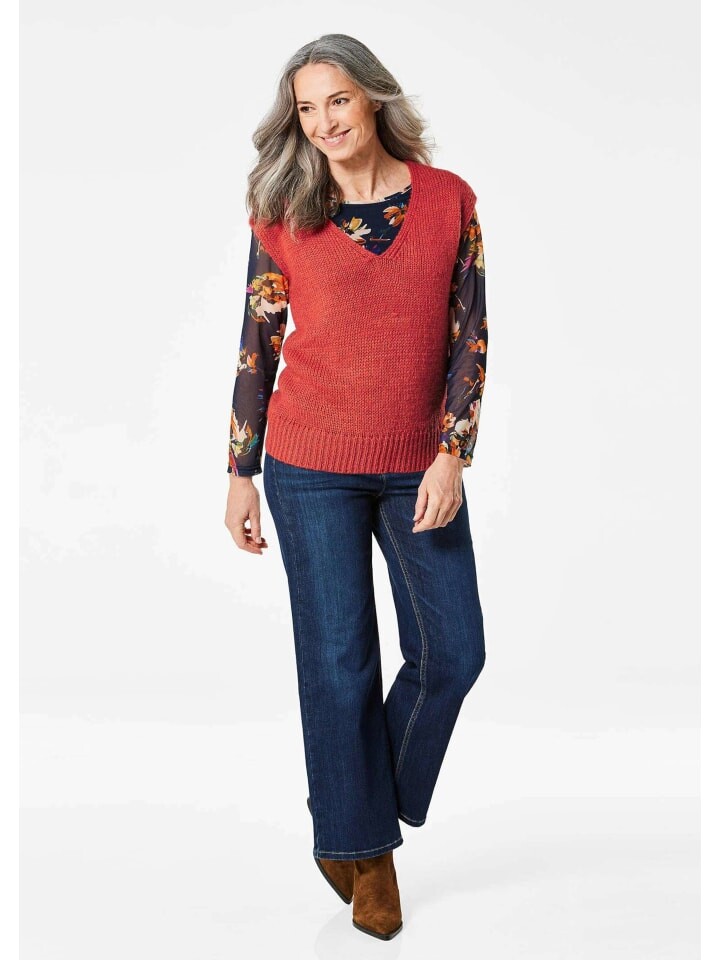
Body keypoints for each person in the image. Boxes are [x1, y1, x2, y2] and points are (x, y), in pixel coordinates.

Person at [224, 33, 488, 941]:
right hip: (308, 465)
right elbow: (257, 344)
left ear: (372, 96)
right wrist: (240, 471)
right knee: (338, 663)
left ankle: (351, 800)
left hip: (419, 461)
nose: (324, 122)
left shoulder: (448, 200)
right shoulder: (282, 210)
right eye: (306, 108)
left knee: (453, 654)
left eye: (337, 100)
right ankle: (362, 848)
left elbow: (470, 335)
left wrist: (452, 453)